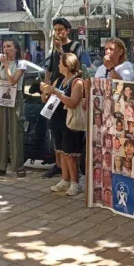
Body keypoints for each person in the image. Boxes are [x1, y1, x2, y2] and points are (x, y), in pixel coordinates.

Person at [42, 18, 84, 179]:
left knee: (68, 134)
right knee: (56, 131)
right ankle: (60, 167)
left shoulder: (75, 46)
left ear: (67, 30)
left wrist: (60, 50)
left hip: (67, 92)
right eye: (55, 30)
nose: (58, 33)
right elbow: (50, 69)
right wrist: (46, 85)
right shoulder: (54, 49)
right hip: (55, 93)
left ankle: (74, 175)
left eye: (60, 29)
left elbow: (72, 66)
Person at [43, 53, 86, 196]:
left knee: (70, 154)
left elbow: (73, 103)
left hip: (70, 122)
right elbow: (47, 99)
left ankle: (75, 183)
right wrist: (46, 91)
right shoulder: (60, 80)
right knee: (61, 152)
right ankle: (65, 179)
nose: (58, 66)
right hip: (57, 120)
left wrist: (57, 92)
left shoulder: (77, 82)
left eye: (60, 64)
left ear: (67, 65)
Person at [0, 39, 27, 178]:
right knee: (1, 131)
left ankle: (18, 166)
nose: (6, 49)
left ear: (15, 48)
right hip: (2, 97)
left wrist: (6, 65)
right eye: (4, 47)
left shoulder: (21, 63)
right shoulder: (0, 63)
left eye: (9, 46)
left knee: (15, 131)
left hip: (15, 96)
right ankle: (0, 166)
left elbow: (13, 81)